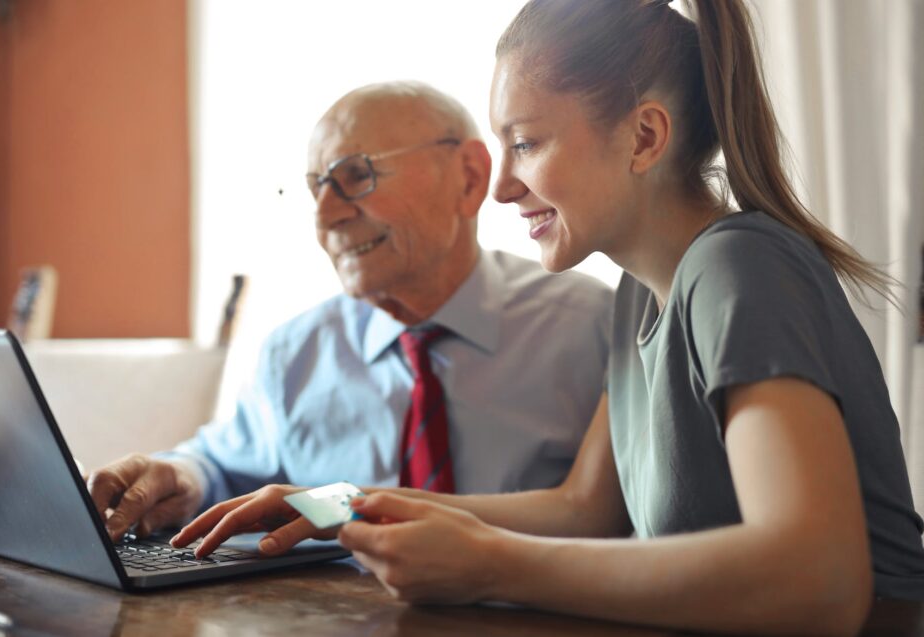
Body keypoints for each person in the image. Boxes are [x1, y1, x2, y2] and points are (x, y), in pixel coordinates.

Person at [173, 1, 924, 634]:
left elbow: (817, 581)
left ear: (645, 136)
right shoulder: (640, 297)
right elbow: (585, 509)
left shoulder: (736, 267)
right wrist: (337, 502)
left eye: (526, 142)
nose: (503, 186)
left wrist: (488, 563)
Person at [87, 81, 612, 544]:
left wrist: (336, 506)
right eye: (317, 187)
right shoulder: (297, 350)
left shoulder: (591, 326)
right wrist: (180, 477)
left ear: (470, 178)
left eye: (355, 176)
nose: (325, 217)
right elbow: (224, 465)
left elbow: (610, 518)